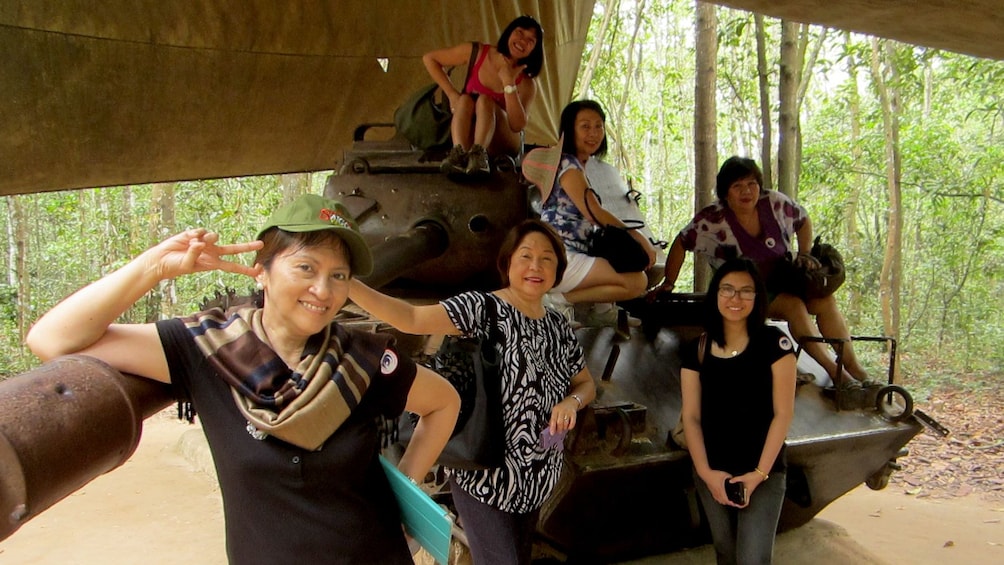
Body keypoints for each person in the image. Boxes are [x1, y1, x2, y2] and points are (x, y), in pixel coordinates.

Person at [25, 194, 460, 564]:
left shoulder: (363, 359)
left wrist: (406, 493)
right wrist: (154, 267)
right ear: (262, 271)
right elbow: (51, 339)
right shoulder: (206, 348)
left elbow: (443, 402)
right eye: (305, 268)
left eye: (338, 276)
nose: (323, 291)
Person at [347, 219, 596, 565]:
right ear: (507, 263)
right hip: (484, 477)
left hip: (537, 478)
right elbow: (413, 319)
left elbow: (586, 384)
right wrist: (345, 283)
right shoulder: (483, 309)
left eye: (547, 259)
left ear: (558, 269)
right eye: (525, 256)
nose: (535, 266)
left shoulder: (557, 326)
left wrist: (572, 401)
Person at [652, 156, 876, 395]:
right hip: (739, 290)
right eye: (737, 186)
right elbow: (681, 242)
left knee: (825, 301)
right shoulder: (713, 219)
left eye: (751, 184)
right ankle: (836, 373)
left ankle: (854, 368)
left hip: (780, 278)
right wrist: (669, 282)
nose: (746, 192)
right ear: (725, 192)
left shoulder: (774, 202)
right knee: (794, 306)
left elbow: (803, 220)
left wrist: (805, 253)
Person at [680, 257, 796, 565]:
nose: (736, 298)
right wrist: (706, 473)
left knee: (753, 558)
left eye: (746, 291)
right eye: (727, 289)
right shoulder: (698, 349)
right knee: (726, 553)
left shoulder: (775, 343)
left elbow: (783, 414)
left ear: (757, 297)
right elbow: (690, 416)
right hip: (712, 471)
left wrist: (758, 475)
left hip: (763, 471)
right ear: (716, 294)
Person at [539, 99, 657, 326]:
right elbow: (594, 212)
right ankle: (558, 301)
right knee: (637, 282)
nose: (593, 133)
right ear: (569, 130)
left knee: (610, 252)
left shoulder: (580, 166)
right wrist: (638, 236)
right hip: (561, 256)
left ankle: (602, 311)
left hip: (574, 252)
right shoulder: (567, 166)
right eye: (585, 126)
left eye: (598, 126)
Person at [423, 15, 544, 177]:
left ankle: (479, 155)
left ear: (534, 50)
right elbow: (430, 59)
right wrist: (452, 95)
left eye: (531, 41)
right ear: (509, 33)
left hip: (503, 141)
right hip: (470, 134)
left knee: (485, 101)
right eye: (519, 33)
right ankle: (458, 154)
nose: (522, 41)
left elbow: (517, 125)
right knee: (465, 99)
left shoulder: (527, 83)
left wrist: (509, 82)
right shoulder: (477, 52)